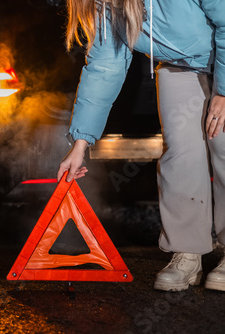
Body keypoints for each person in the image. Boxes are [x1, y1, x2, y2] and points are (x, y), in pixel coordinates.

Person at [57, 0, 225, 291]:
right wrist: (79, 144)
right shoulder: (105, 4)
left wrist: (223, 91)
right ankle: (187, 252)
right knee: (180, 155)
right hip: (181, 68)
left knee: (223, 146)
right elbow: (104, 66)